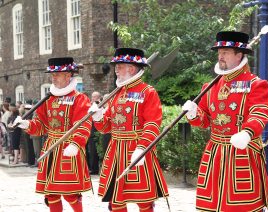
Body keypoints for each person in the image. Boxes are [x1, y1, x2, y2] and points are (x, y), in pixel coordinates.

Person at [182, 31, 268, 211]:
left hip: (242, 152)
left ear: (239, 55)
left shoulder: (255, 84)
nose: (220, 56)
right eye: (219, 52)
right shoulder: (211, 86)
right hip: (215, 153)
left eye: (225, 52)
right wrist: (193, 114)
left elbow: (260, 112)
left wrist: (247, 132)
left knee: (242, 206)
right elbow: (205, 120)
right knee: (212, 206)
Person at [89, 48, 169, 212]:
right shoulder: (116, 93)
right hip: (116, 151)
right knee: (116, 201)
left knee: (144, 200)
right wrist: (97, 117)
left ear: (131, 68)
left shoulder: (148, 92)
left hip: (137, 149)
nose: (116, 70)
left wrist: (142, 148)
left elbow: (152, 123)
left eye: (119, 66)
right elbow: (107, 127)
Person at [13, 57, 92, 212]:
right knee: (51, 195)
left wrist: (76, 143)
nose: (53, 77)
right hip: (51, 149)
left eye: (57, 74)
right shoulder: (48, 99)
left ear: (68, 75)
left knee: (71, 194)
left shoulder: (79, 98)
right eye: (52, 74)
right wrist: (27, 124)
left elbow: (83, 124)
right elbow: (41, 126)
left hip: (69, 149)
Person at [86, 91, 102, 174]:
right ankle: (89, 167)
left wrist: (95, 104)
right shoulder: (91, 105)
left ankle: (94, 169)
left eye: (95, 97)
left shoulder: (99, 105)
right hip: (88, 131)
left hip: (95, 131)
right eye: (92, 97)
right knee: (88, 151)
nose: (93, 98)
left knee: (93, 152)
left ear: (99, 97)